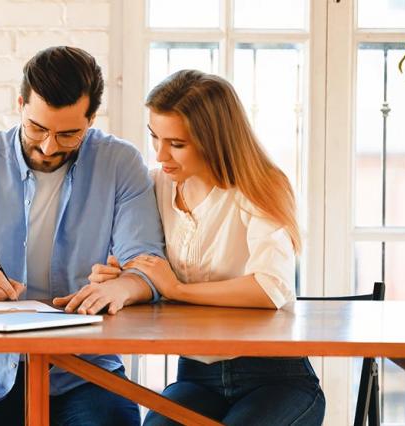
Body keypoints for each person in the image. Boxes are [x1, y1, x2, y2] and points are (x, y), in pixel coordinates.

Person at [0, 46, 165, 425]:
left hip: (86, 371)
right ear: (20, 104)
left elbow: (147, 265)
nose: (48, 146)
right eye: (37, 128)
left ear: (91, 119)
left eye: (68, 134)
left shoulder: (120, 164)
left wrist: (121, 287)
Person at [89, 69, 326, 425]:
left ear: (216, 140)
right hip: (197, 377)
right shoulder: (156, 186)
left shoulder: (259, 187)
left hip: (276, 378)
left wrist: (176, 289)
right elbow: (144, 263)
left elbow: (270, 287)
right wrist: (126, 276)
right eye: (155, 137)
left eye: (177, 144)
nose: (160, 155)